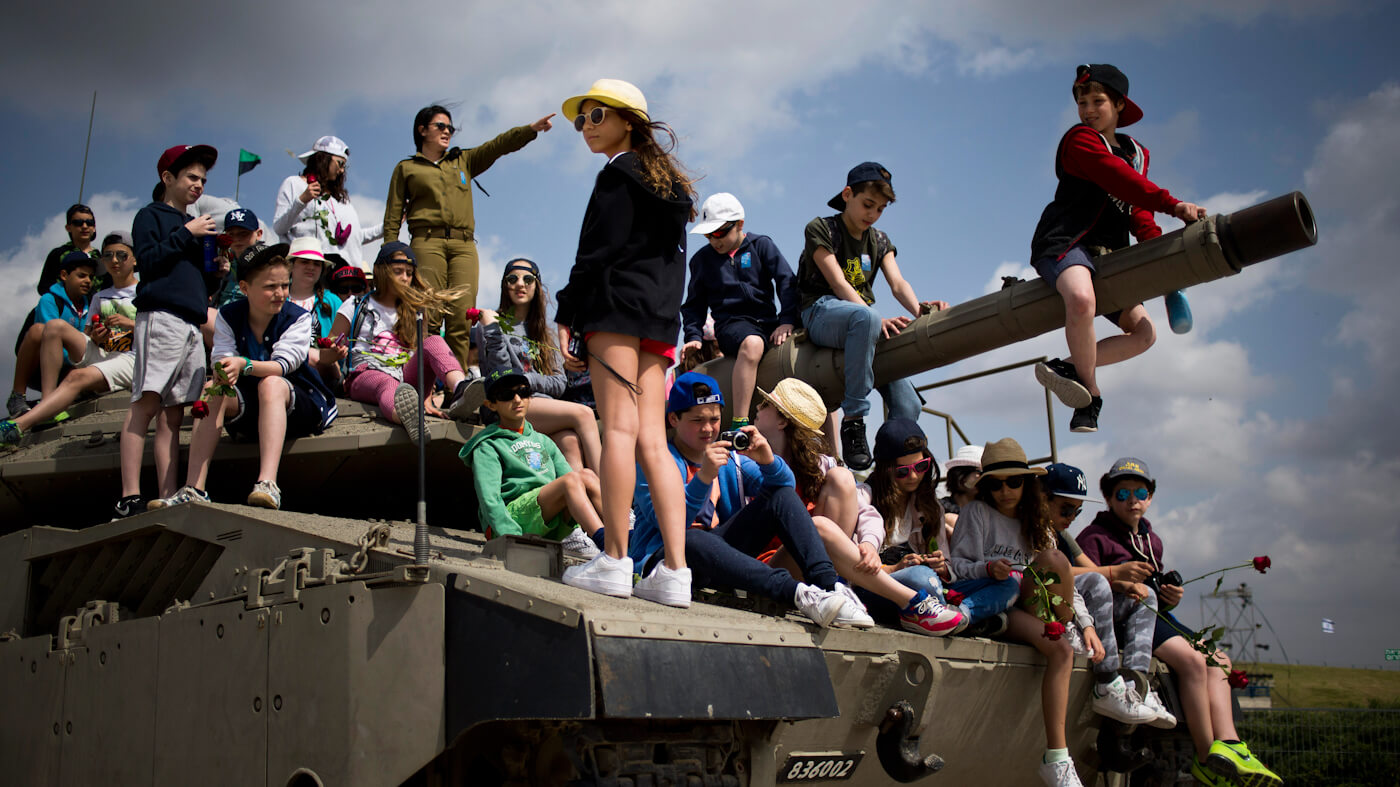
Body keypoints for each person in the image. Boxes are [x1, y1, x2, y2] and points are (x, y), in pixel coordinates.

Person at [553, 78, 692, 603]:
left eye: (594, 116)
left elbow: (596, 252)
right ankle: (676, 573)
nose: (584, 127)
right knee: (653, 440)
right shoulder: (672, 186)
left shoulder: (617, 175)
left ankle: (614, 558)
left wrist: (568, 310)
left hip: (615, 311)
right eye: (579, 120)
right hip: (659, 320)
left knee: (617, 431)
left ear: (625, 120)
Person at [1078, 458, 1282, 786]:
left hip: (1157, 612)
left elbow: (1156, 587)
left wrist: (1170, 595)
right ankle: (1205, 758)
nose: (1133, 500)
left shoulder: (1151, 539)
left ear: (1151, 497)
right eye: (1123, 493)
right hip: (1126, 617)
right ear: (1108, 498)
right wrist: (1120, 578)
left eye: (1141, 492)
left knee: (1220, 661)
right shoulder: (1095, 536)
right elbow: (1088, 584)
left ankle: (1229, 745)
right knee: (1191, 662)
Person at [1029, 64, 1206, 433]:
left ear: (1120, 105)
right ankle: (1090, 396)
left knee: (1144, 334)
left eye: (1098, 101)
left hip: (1110, 255)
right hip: (1067, 243)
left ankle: (1067, 367)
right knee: (1081, 299)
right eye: (1082, 102)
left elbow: (1139, 212)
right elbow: (1117, 178)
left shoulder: (1137, 154)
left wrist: (1165, 264)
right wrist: (1174, 204)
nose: (1088, 110)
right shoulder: (1080, 140)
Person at [622, 371, 871, 619]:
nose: (708, 429)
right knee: (692, 539)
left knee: (779, 496)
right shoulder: (654, 459)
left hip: (718, 557)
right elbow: (667, 526)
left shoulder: (728, 460)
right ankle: (799, 594)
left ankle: (828, 586)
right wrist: (703, 479)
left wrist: (768, 460)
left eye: (715, 419)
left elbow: (784, 488)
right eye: (698, 420)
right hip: (664, 563)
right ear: (674, 419)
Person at [755, 378, 964, 635]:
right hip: (772, 567)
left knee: (842, 479)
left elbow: (867, 515)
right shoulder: (746, 464)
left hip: (822, 566)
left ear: (782, 421)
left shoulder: (819, 467)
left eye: (921, 467)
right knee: (919, 579)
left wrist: (869, 544)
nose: (913, 476)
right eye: (903, 470)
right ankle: (910, 603)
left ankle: (836, 587)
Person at [151, 245, 338, 511]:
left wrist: (243, 364)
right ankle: (194, 488)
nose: (280, 293)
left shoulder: (298, 318)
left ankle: (267, 484)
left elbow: (283, 366)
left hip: (301, 404)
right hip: (253, 405)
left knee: (271, 383)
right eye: (270, 286)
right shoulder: (229, 315)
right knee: (212, 390)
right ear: (244, 288)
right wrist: (223, 371)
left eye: (285, 285)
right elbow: (222, 357)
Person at [944, 438, 1084, 786]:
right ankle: (1058, 757)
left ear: (1028, 483)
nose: (1005, 491)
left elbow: (1066, 581)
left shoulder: (1036, 521)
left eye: (1014, 482)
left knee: (1054, 562)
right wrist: (988, 569)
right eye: (995, 483)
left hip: (1034, 605)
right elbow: (957, 567)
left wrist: (1088, 623)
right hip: (997, 594)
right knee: (1061, 648)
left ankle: (1057, 758)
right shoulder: (976, 513)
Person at [794, 162, 948, 470]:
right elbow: (837, 283)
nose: (872, 214)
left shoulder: (879, 240)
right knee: (865, 320)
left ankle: (891, 471)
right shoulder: (821, 228)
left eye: (879, 209)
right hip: (822, 311)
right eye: (867, 205)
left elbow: (897, 283)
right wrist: (871, 318)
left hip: (863, 321)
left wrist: (920, 311)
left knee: (908, 403)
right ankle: (854, 420)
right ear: (847, 194)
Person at [383, 106, 554, 367]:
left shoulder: (462, 160)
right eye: (441, 126)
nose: (448, 132)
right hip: (427, 241)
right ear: (422, 130)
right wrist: (389, 257)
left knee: (462, 318)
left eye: (451, 128)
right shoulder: (406, 168)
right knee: (427, 316)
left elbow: (497, 146)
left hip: (464, 245)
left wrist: (530, 130)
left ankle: (456, 388)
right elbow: (393, 216)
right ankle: (424, 388)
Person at [116, 144, 219, 517]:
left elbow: (192, 277)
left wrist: (215, 266)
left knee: (173, 415)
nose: (199, 185)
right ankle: (129, 496)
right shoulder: (151, 215)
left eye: (203, 179)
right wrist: (186, 233)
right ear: (167, 178)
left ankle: (167, 493)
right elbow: (148, 260)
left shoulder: (193, 224)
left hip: (191, 323)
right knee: (146, 403)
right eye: (192, 177)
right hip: (161, 317)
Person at [1042, 463, 1164, 727]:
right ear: (1043, 500)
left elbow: (1086, 567)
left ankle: (1135, 687)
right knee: (1098, 582)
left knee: (1147, 596)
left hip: (1070, 602)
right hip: (1046, 604)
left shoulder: (1061, 533)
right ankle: (1106, 682)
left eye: (1077, 511)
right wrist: (1113, 572)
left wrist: (1121, 583)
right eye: (1066, 509)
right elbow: (1060, 571)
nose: (1072, 516)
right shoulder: (1035, 530)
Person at [329, 242, 475, 445]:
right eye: (398, 271)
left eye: (409, 272)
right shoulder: (356, 304)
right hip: (366, 373)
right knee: (388, 382)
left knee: (434, 341)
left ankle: (461, 389)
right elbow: (329, 346)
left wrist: (426, 397)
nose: (405, 278)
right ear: (381, 271)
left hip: (404, 376)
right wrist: (336, 365)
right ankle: (408, 419)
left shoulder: (414, 310)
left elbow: (421, 354)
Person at [1, 233, 139, 447]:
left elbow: (159, 331)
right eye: (108, 255)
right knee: (54, 326)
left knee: (76, 376)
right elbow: (87, 336)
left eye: (121, 255)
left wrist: (130, 324)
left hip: (131, 357)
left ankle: (20, 425)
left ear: (134, 259)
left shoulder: (145, 292)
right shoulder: (98, 297)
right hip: (104, 352)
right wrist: (95, 336)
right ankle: (48, 403)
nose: (114, 260)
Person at [680, 193, 798, 431]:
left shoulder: (761, 245)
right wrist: (693, 337)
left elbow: (787, 282)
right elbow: (694, 304)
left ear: (740, 224)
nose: (714, 240)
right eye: (708, 234)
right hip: (732, 325)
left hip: (768, 321)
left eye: (720, 232)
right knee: (753, 344)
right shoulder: (702, 260)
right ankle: (739, 421)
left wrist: (787, 321)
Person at [471, 258, 601, 471]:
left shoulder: (546, 334)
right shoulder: (491, 325)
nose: (520, 284)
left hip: (542, 407)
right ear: (505, 285)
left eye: (528, 279)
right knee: (584, 414)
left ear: (537, 286)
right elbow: (502, 378)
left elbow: (560, 383)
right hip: (508, 405)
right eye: (512, 278)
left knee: (570, 442)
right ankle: (610, 494)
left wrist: (527, 379)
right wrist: (493, 331)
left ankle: (583, 500)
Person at [460, 369, 604, 560]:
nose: (517, 399)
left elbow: (573, 478)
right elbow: (490, 499)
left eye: (523, 392)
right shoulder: (488, 445)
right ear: (491, 405)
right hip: (513, 520)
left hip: (546, 516)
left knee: (586, 475)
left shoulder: (543, 441)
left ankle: (625, 537)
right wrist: (511, 536)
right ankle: (606, 544)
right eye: (506, 395)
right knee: (570, 481)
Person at [273, 136, 381, 270]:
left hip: (346, 281)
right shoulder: (294, 184)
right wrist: (302, 200)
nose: (342, 170)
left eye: (344, 166)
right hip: (310, 275)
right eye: (340, 163)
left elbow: (357, 237)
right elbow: (279, 227)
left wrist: (390, 225)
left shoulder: (342, 199)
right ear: (323, 160)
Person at [8, 251, 95, 416]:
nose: (88, 281)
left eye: (90, 277)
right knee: (38, 331)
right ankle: (17, 395)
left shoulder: (91, 304)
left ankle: (64, 393)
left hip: (72, 366)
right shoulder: (50, 300)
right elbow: (51, 340)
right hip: (42, 367)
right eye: (82, 275)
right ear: (64, 275)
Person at [36, 203, 102, 295]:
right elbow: (44, 287)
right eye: (78, 223)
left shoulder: (101, 257)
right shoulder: (58, 254)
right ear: (68, 228)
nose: (84, 226)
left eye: (89, 223)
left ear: (94, 228)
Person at [210, 208, 264, 307]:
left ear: (259, 234)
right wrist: (216, 277)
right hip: (221, 316)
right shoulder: (219, 259)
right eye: (231, 234)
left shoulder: (269, 261)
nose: (237, 239)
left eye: (243, 233)